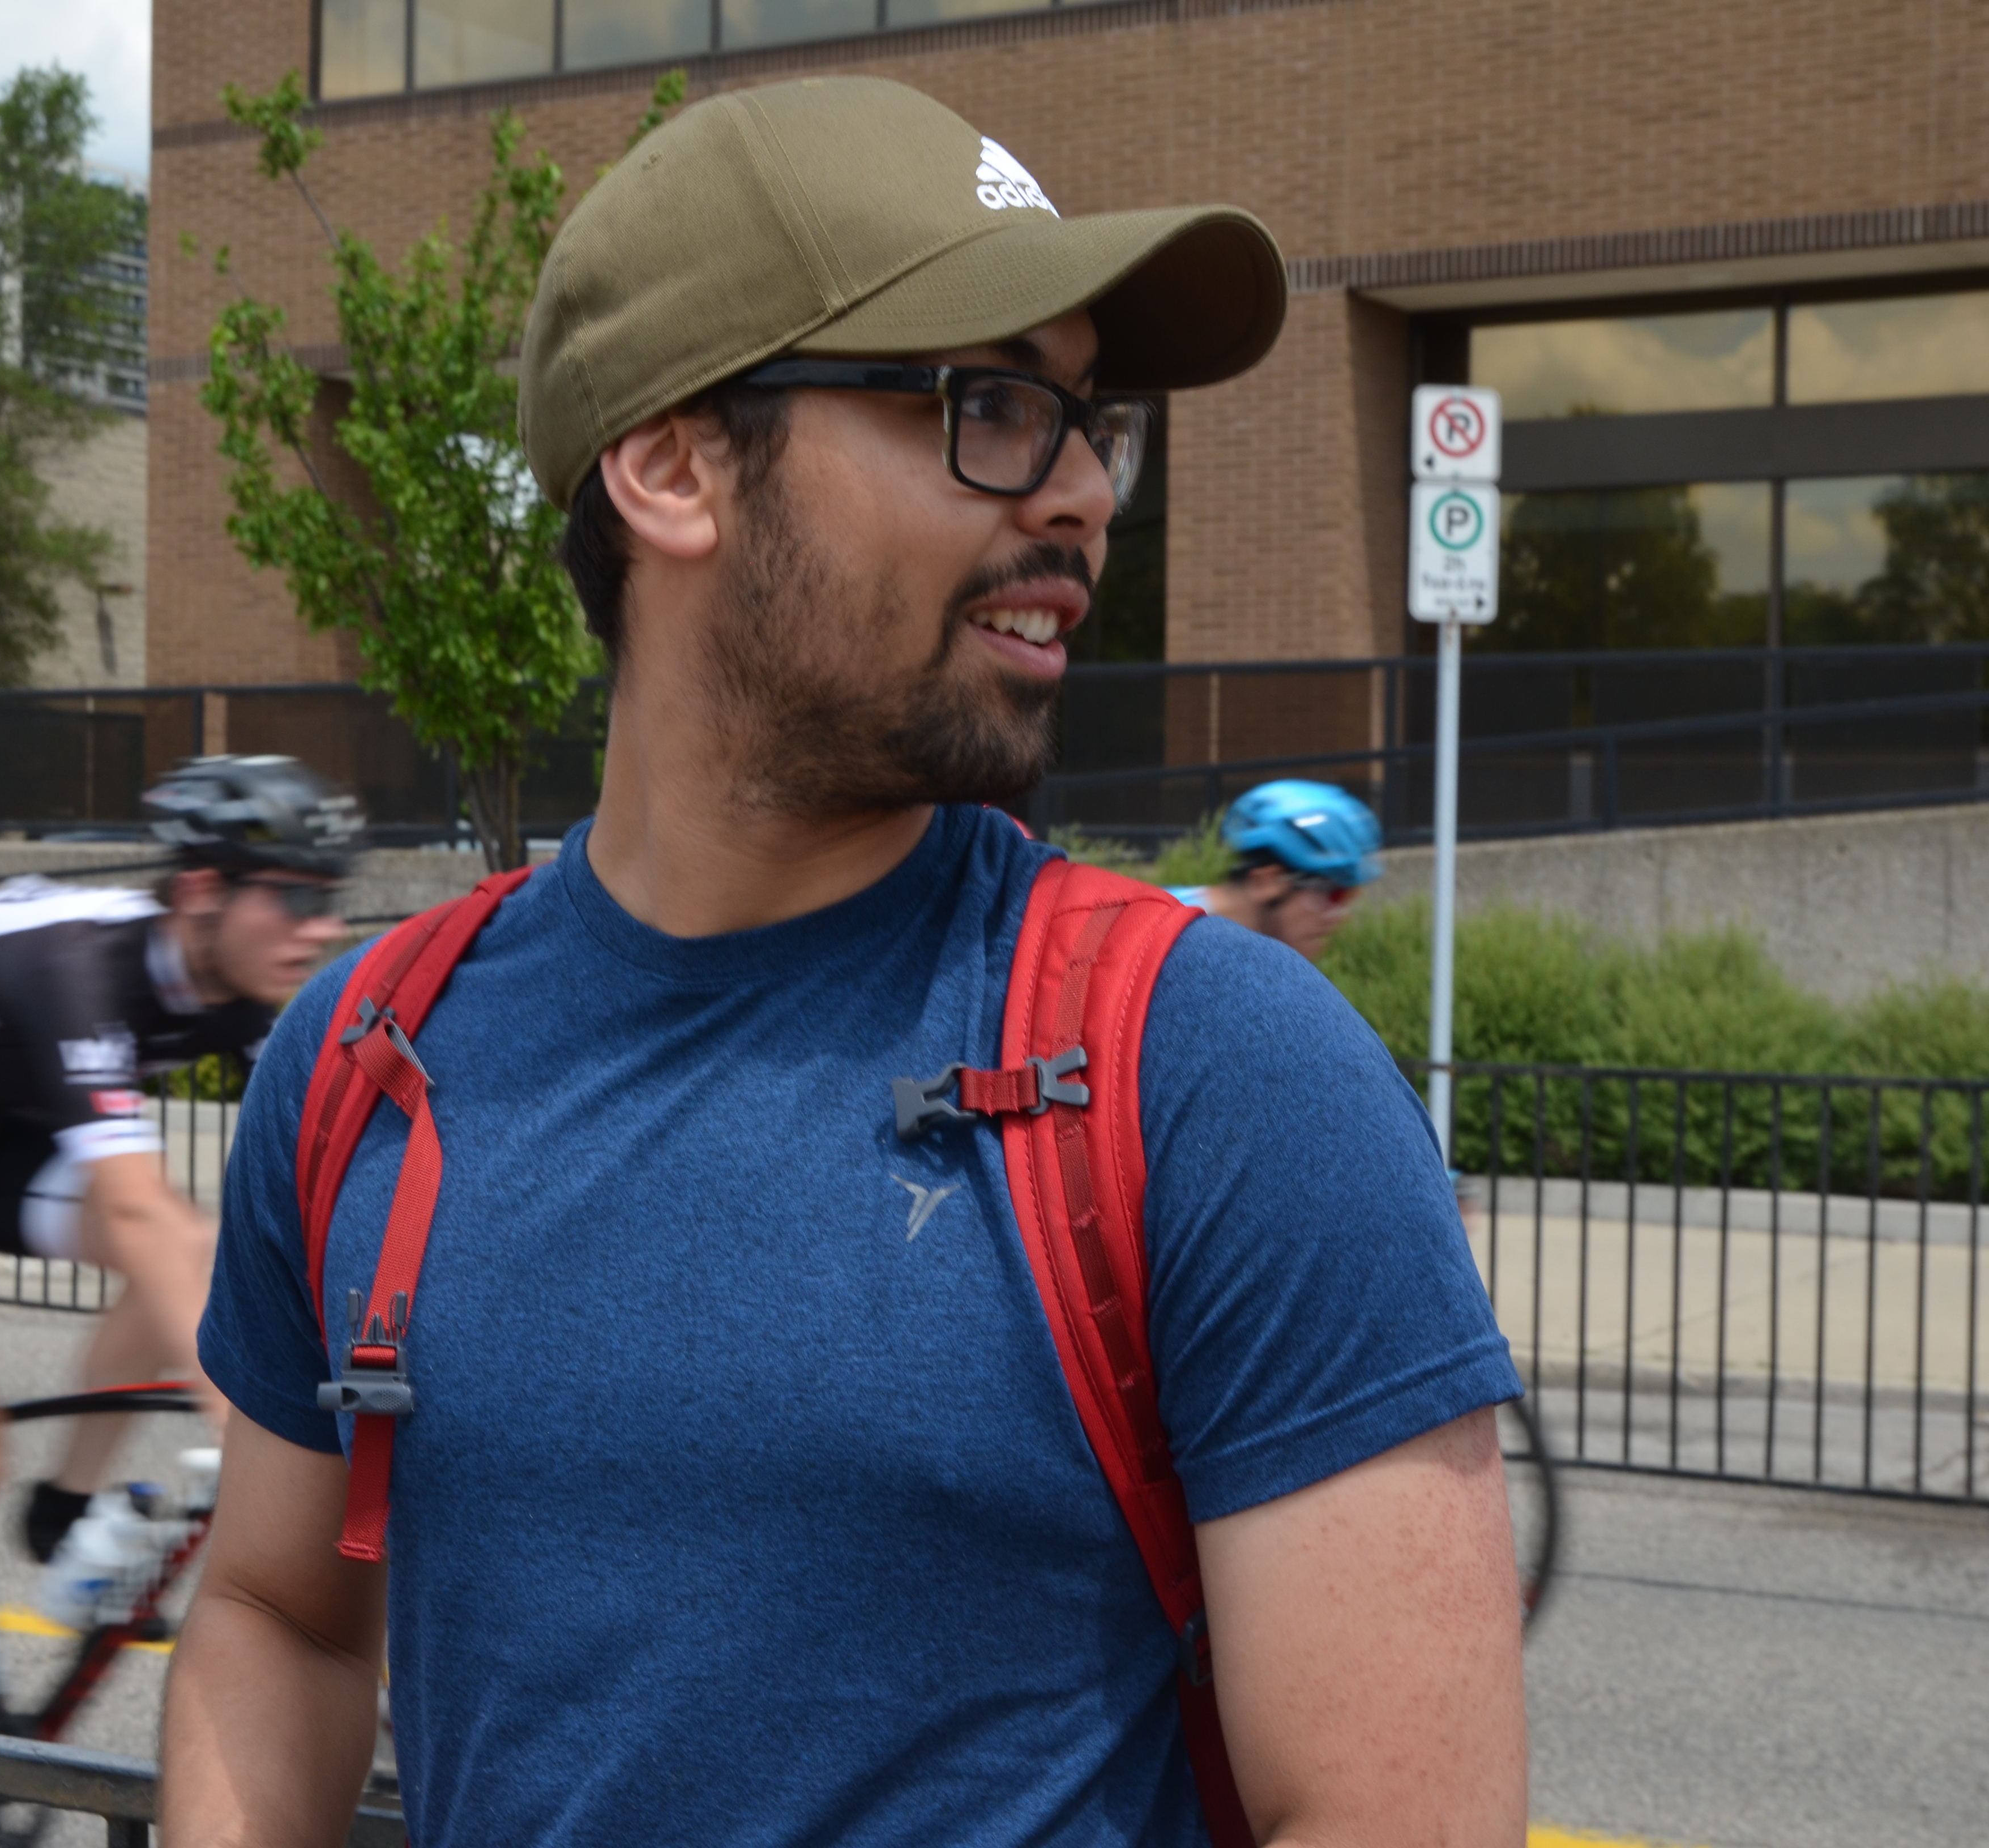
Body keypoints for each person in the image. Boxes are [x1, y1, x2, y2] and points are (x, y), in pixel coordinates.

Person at [163, 77, 1526, 1848]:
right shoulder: (371, 1054)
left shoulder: (1217, 1070)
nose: (1082, 495)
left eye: (1090, 422)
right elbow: (277, 1611)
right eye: (990, 406)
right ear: (672, 466)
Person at [0, 754, 356, 1846]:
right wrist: (244, 1417)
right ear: (202, 890)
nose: (318, 926)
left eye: (331, 897)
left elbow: (319, 1180)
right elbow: (127, 1207)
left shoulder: (236, 993)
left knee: (194, 1239)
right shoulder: (76, 968)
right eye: (292, 894)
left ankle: (60, 1512)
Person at [1165, 779, 1384, 964]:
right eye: (1334, 894)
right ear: (1266, 882)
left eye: (1350, 896)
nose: (1339, 916)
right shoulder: (1162, 938)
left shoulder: (1255, 959)